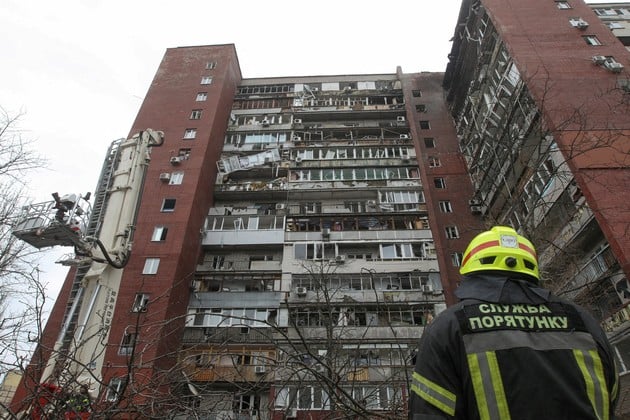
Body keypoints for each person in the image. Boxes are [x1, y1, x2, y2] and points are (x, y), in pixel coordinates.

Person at [409, 226, 619, 420]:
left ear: (471, 271)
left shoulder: (450, 326)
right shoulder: (582, 320)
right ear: (532, 270)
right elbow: (611, 393)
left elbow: (427, 412)